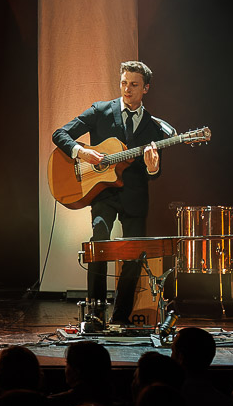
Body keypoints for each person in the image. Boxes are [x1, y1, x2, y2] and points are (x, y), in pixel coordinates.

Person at [51, 60, 171, 330]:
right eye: (124, 83)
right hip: (103, 193)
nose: (127, 89)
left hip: (135, 198)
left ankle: (120, 316)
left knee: (133, 256)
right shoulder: (101, 111)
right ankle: (95, 313)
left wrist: (153, 168)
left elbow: (155, 173)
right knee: (99, 244)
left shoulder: (154, 127)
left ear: (146, 88)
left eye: (134, 85)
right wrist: (82, 152)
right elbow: (60, 134)